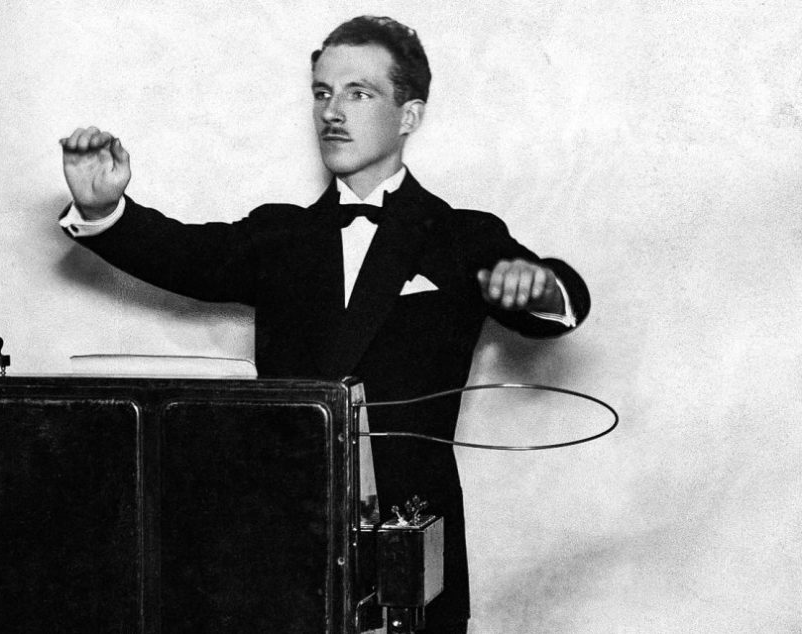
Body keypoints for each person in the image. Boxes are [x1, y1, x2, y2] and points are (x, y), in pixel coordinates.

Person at [58, 16, 590, 633]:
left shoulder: (460, 235)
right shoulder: (281, 234)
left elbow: (560, 296)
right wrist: (104, 209)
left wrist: (541, 286)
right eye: (322, 93)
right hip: (282, 547)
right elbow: (184, 254)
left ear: (409, 115)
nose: (332, 112)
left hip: (409, 547)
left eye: (358, 93)